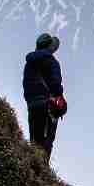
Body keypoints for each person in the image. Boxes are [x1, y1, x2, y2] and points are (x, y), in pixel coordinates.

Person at [23, 32, 65, 161]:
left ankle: (31, 171)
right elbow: (56, 86)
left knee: (35, 142)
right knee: (46, 144)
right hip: (47, 107)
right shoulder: (52, 62)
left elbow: (26, 84)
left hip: (32, 105)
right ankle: (42, 174)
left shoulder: (29, 62)